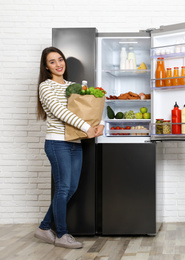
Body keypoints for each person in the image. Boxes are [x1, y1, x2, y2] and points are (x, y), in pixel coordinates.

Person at [34, 47, 104, 249]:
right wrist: (87, 127)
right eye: (52, 62)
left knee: (69, 189)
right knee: (64, 188)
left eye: (60, 59)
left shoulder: (74, 86)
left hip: (75, 142)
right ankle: (62, 235)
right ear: (46, 67)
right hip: (57, 143)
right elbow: (60, 112)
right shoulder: (45, 87)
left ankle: (44, 228)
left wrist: (99, 124)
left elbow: (89, 109)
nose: (58, 64)